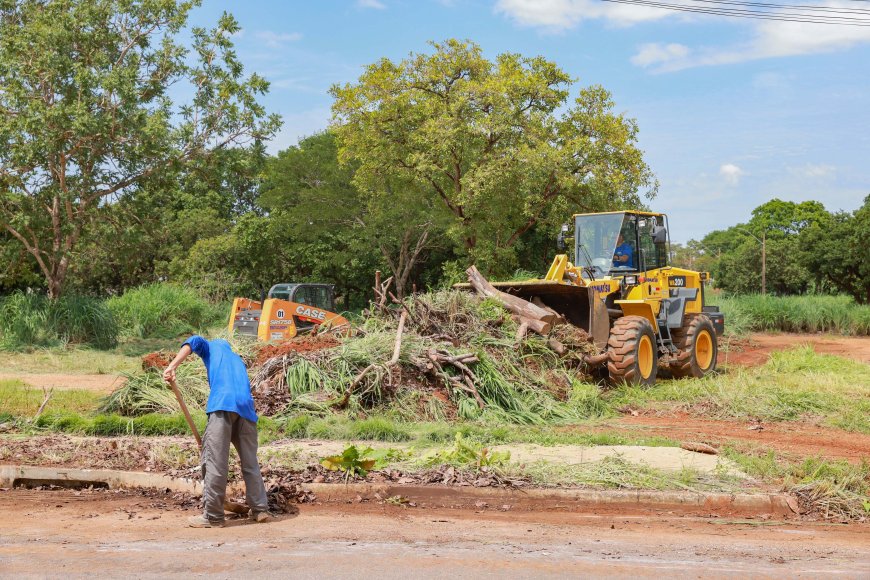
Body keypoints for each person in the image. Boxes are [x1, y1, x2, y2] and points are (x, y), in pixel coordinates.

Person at [163, 335, 274, 528]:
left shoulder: (210, 347)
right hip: (247, 410)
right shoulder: (236, 359)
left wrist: (172, 366)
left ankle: (213, 516)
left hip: (222, 404)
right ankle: (260, 509)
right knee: (250, 463)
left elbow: (194, 341)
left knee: (215, 462)